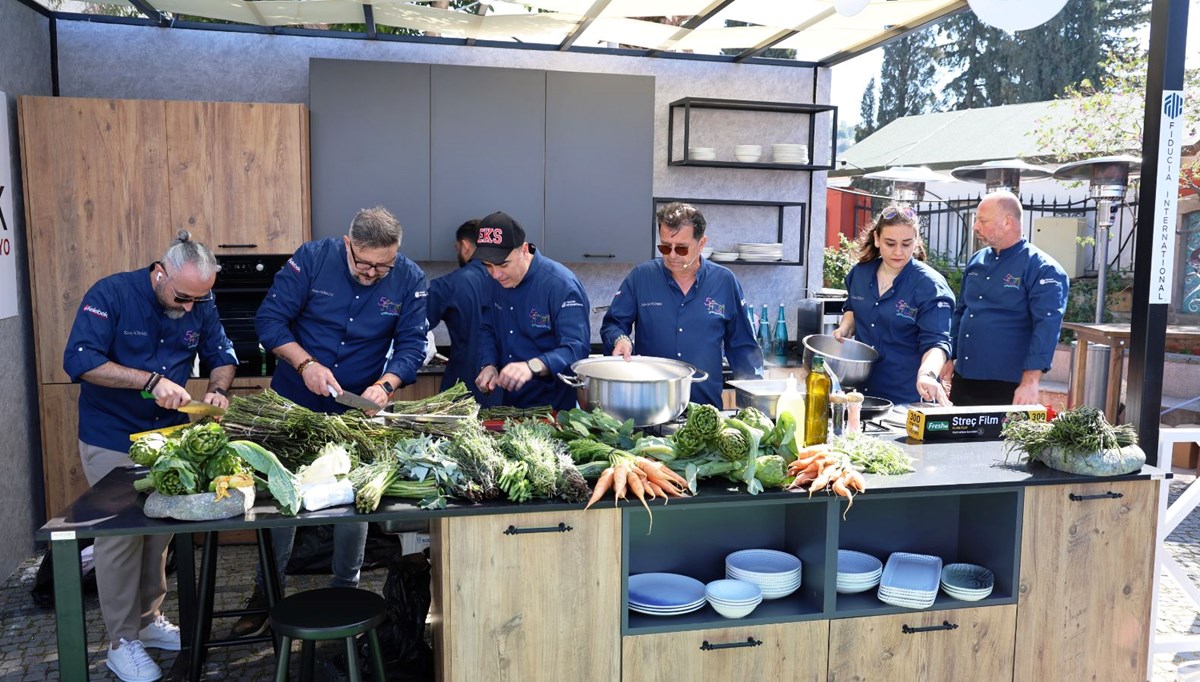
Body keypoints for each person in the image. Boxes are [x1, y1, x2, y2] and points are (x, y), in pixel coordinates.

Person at [231, 206, 429, 637]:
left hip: (355, 408)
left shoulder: (409, 277)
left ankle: (348, 590)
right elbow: (269, 320)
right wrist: (305, 365)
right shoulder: (313, 258)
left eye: (384, 265)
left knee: (353, 500)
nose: (375, 273)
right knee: (281, 498)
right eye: (365, 263)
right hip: (294, 399)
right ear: (348, 243)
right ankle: (266, 592)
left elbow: (414, 343)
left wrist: (388, 384)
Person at [63, 231, 237, 682]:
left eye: (200, 299)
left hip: (168, 441)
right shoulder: (111, 293)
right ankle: (121, 643)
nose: (189, 309)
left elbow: (222, 353)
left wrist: (217, 390)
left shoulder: (198, 300)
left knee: (158, 532)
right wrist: (149, 381)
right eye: (183, 297)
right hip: (111, 436)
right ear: (160, 274)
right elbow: (80, 361)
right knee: (120, 538)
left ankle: (147, 621)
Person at [601, 202, 762, 407]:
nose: (672, 255)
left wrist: (756, 406)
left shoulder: (724, 281)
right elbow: (613, 324)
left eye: (682, 248)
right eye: (665, 247)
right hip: (649, 407)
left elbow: (743, 348)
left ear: (701, 243)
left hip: (705, 410)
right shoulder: (641, 277)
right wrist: (620, 339)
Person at [944, 190, 1069, 406]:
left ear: (1007, 222)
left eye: (982, 221)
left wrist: (1031, 381)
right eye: (976, 220)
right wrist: (949, 356)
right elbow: (961, 312)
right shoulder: (976, 260)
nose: (975, 227)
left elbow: (1047, 326)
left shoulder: (1042, 268)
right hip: (964, 377)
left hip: (1007, 383)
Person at [832, 204, 955, 406]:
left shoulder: (930, 286)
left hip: (906, 397)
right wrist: (846, 326)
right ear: (877, 239)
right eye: (890, 243)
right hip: (860, 394)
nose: (898, 252)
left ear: (915, 241)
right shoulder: (860, 274)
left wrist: (927, 374)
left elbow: (937, 343)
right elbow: (854, 306)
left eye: (906, 244)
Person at [473, 211, 590, 409]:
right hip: (511, 405)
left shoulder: (561, 285)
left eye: (503, 264)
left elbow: (576, 349)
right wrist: (489, 364)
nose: (496, 274)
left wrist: (532, 366)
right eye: (488, 266)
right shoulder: (494, 282)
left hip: (555, 408)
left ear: (524, 250)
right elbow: (488, 328)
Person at [426, 219, 499, 406]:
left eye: (457, 247)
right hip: (503, 385)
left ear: (465, 246)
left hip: (461, 387)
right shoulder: (508, 280)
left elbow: (415, 324)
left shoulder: (449, 285)